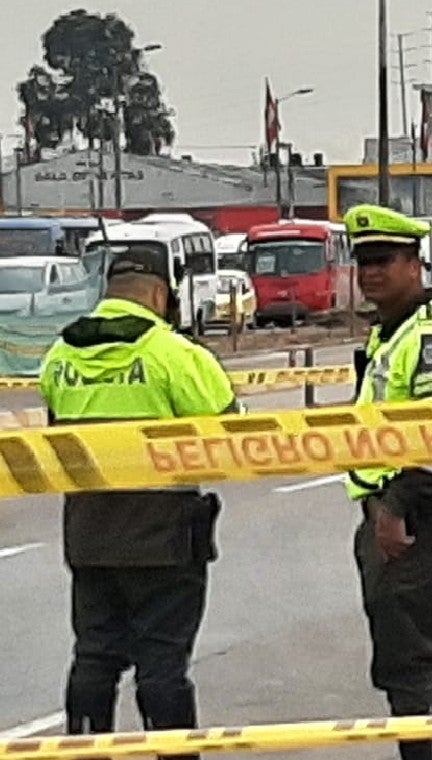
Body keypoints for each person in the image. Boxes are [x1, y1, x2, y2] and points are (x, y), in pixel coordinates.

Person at [38, 246, 238, 754]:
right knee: (163, 665)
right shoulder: (174, 355)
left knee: (95, 657)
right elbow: (231, 432)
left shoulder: (60, 356)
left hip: (89, 535)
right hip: (163, 536)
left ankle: (85, 749)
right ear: (159, 294)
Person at [342, 204, 432, 760]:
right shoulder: (388, 337)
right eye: (364, 262)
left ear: (416, 265)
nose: (373, 272)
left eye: (385, 260)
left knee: (407, 667)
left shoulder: (427, 339)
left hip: (419, 514)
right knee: (425, 656)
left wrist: (394, 509)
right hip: (393, 512)